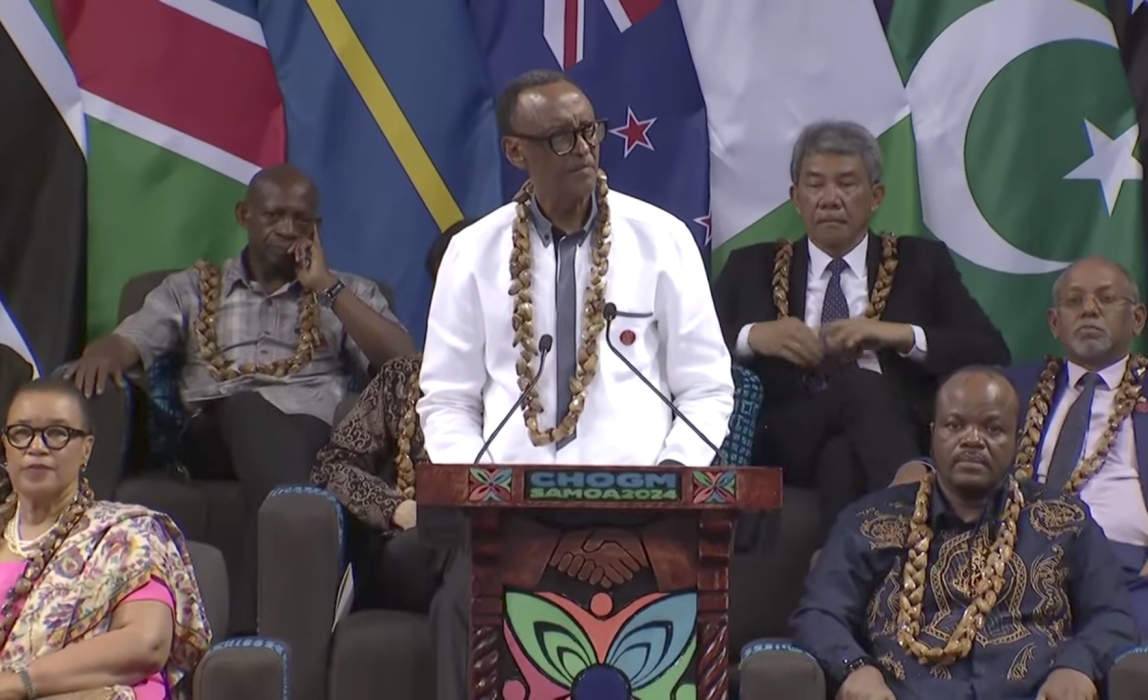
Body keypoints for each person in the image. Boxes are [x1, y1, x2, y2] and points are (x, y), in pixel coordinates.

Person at [417, 69, 735, 700]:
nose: (584, 149)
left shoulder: (663, 240)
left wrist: (673, 477)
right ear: (517, 152)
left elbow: (706, 389)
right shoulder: (472, 253)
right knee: (457, 606)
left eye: (590, 131)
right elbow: (447, 398)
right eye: (561, 138)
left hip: (645, 510)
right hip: (512, 512)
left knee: (696, 607)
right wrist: (478, 483)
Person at [714, 120, 1009, 539]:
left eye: (847, 184)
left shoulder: (921, 263)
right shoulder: (751, 267)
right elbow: (688, 349)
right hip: (786, 434)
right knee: (858, 386)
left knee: (841, 457)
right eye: (815, 184)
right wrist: (753, 337)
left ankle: (835, 564)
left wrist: (898, 335)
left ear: (876, 197)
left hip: (889, 429)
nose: (830, 198)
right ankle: (921, 509)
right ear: (796, 198)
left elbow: (989, 350)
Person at [64, 163, 413, 511]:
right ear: (244, 215)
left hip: (313, 434)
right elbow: (129, 340)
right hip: (213, 437)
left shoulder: (349, 291)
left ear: (316, 227)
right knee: (247, 405)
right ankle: (308, 516)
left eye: (301, 219)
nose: (288, 229)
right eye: (274, 216)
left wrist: (327, 288)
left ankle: (297, 520)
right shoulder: (191, 289)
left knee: (284, 432)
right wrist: (104, 354)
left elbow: (404, 362)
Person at [793, 366, 1136, 700]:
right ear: (933, 435)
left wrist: (1076, 667)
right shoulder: (870, 521)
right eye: (955, 425)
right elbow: (819, 613)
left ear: (1017, 440)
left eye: (992, 428)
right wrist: (855, 668)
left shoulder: (1064, 520)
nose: (972, 440)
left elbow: (1113, 615)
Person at [1006, 258, 1148, 650]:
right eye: (1074, 301)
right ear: (1055, 323)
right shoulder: (1012, 387)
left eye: (1107, 298)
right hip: (1020, 562)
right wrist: (919, 466)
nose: (1089, 309)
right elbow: (962, 443)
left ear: (1138, 319)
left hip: (1137, 566)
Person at [0, 377, 210, 698]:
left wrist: (19, 684)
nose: (36, 447)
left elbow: (145, 643)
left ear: (86, 449)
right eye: (21, 433)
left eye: (57, 433)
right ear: (6, 446)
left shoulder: (128, 534)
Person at [311, 217, 475, 612]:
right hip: (421, 548)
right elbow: (333, 467)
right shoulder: (404, 379)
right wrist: (396, 509)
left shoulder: (555, 386)